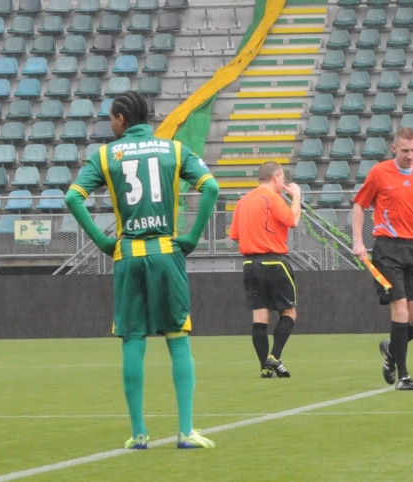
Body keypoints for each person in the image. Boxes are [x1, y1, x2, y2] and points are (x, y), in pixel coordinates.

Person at [65, 91, 218, 449]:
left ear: (121, 119)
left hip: (129, 255)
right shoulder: (174, 149)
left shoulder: (106, 155)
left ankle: (138, 435)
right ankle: (186, 431)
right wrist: (192, 236)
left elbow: (73, 197)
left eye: (110, 118)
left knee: (132, 339)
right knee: (177, 338)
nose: (110, 123)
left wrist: (103, 243)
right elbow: (210, 186)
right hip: (167, 251)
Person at [352, 127, 413, 391]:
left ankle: (391, 349)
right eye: (405, 150)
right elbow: (359, 205)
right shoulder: (379, 172)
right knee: (400, 309)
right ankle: (404, 376)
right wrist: (358, 241)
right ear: (394, 149)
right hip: (387, 248)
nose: (410, 155)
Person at [229, 161, 301, 378]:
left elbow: (234, 235)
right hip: (274, 261)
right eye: (283, 180)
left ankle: (264, 368)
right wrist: (296, 196)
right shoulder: (272, 197)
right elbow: (293, 220)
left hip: (250, 264)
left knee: (259, 317)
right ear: (276, 177)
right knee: (289, 312)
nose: (284, 184)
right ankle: (275, 356)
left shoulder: (242, 202)